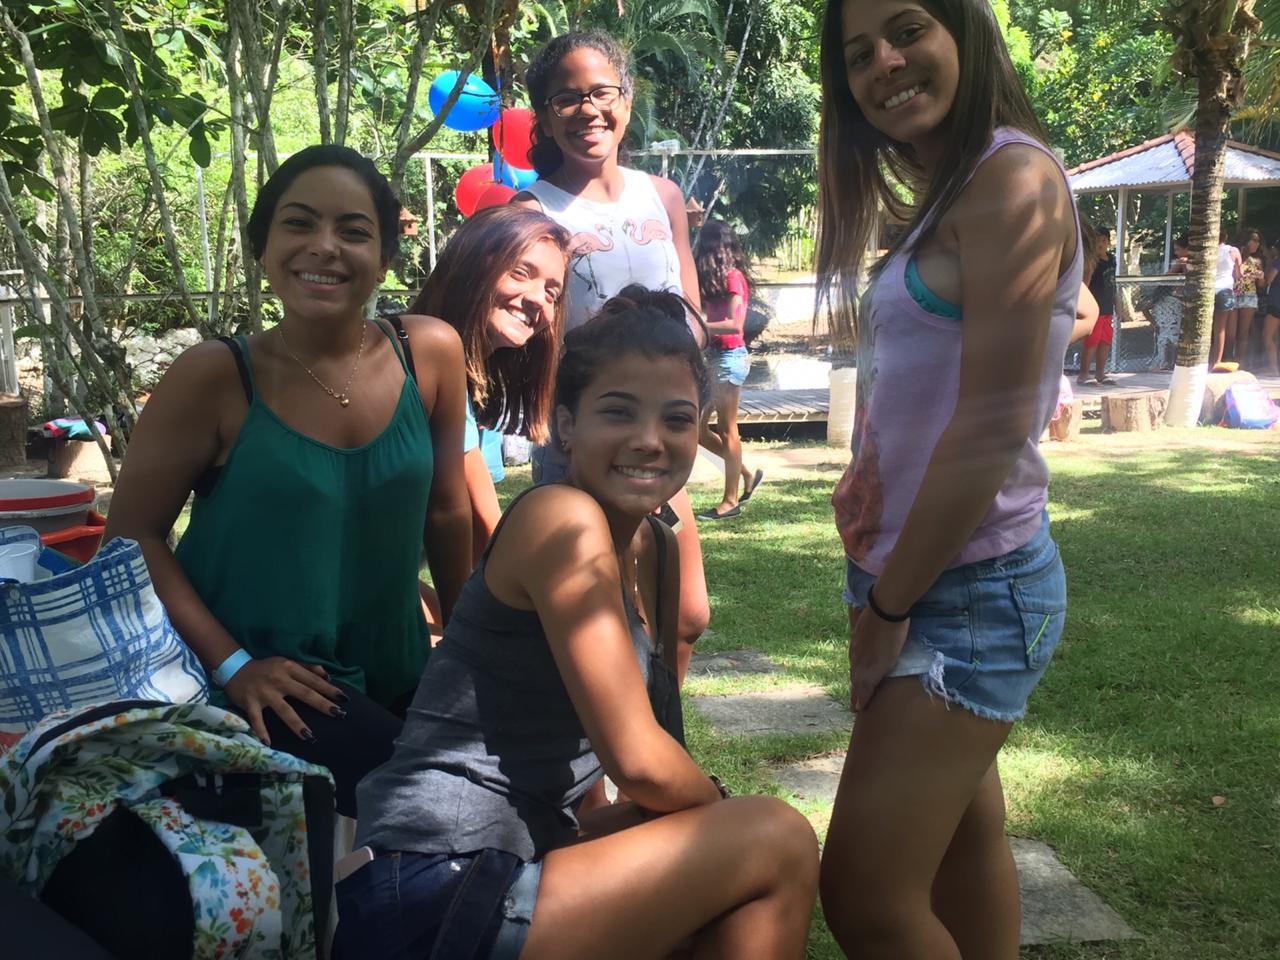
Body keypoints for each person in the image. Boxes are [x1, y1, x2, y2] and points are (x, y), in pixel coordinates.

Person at [335, 288, 819, 960]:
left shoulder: (656, 546)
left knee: (716, 870)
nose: (649, 440)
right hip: (432, 875)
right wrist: (719, 805)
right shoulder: (559, 518)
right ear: (566, 426)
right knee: (775, 837)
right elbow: (640, 762)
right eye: (618, 412)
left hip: (515, 856)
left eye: (677, 420)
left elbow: (612, 770)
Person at [814, 2, 1076, 958]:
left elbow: (995, 425)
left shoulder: (1013, 178)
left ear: (964, 32)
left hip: (962, 592)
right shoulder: (954, 189)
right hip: (918, 576)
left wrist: (889, 607)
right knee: (965, 848)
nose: (884, 63)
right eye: (858, 54)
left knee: (865, 897)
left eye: (907, 30)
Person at [104, 145, 472, 816]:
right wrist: (235, 665)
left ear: (385, 257)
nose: (324, 246)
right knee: (433, 809)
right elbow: (130, 538)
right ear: (263, 248)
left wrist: (470, 652)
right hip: (268, 685)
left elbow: (448, 514)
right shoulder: (215, 376)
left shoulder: (428, 354)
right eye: (299, 223)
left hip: (400, 666)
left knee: (515, 775)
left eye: (353, 230)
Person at [514, 28, 710, 680]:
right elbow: (524, 329)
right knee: (597, 626)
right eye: (566, 98)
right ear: (545, 116)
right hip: (584, 442)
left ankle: (658, 726)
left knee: (684, 613)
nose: (588, 110)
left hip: (657, 431)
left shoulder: (664, 196)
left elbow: (693, 314)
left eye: (601, 92)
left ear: (626, 99)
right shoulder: (531, 208)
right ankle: (600, 748)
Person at [406, 205, 570, 568]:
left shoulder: (463, 382)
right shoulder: (422, 361)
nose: (537, 299)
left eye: (552, 293)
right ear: (471, 263)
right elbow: (486, 539)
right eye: (520, 272)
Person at [694, 219, 763, 520]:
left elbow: (735, 324)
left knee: (727, 429)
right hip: (713, 357)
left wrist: (700, 326)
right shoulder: (714, 280)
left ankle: (730, 502)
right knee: (697, 429)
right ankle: (746, 473)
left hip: (730, 357)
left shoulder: (734, 277)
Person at [1079, 225, 1116, 385]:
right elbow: (1085, 284)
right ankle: (1083, 375)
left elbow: (1112, 283)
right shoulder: (1091, 261)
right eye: (1096, 241)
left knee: (1105, 341)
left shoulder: (1112, 259)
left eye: (1103, 240)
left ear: (1108, 242)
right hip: (1094, 308)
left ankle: (1100, 373)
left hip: (1107, 308)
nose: (1100, 244)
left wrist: (1117, 303)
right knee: (1091, 341)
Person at [1211, 227, 1243, 368]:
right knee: (1220, 329)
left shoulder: (1206, 251)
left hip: (1208, 290)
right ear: (1225, 237)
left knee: (1205, 327)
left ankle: (1203, 360)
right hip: (1225, 290)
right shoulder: (1232, 250)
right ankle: (1216, 362)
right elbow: (1239, 274)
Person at [1232, 227, 1265, 368]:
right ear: (1246, 241)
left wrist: (1261, 277)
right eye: (1254, 240)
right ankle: (1227, 358)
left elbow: (1262, 285)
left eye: (1258, 241)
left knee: (1243, 332)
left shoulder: (1256, 261)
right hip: (1232, 295)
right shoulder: (1234, 255)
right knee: (1230, 331)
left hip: (1249, 296)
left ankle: (1240, 362)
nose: (1257, 244)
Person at [1262, 234, 1280, 376]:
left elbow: (1269, 279)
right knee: (1276, 336)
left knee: (1267, 335)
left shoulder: (1277, 262)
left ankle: (1273, 368)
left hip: (1276, 302)